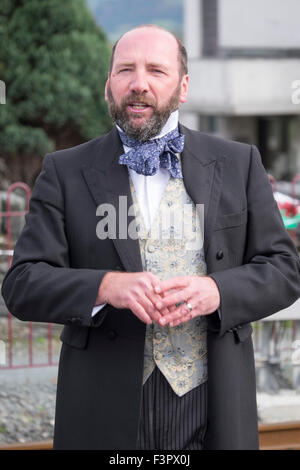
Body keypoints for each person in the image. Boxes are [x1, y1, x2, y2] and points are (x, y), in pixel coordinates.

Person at [2, 25, 300, 451]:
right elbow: (22, 284)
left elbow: (284, 270)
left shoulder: (238, 163)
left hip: (211, 404)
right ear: (108, 85)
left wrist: (218, 290)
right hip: (104, 408)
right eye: (125, 70)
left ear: (183, 87)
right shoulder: (63, 171)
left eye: (156, 71)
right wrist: (105, 286)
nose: (138, 84)